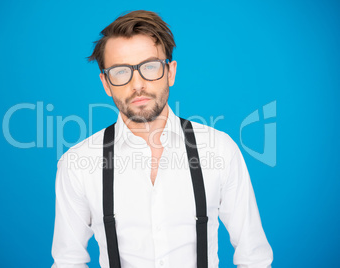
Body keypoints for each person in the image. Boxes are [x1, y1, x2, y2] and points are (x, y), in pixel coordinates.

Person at [51, 10, 273, 268]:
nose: (138, 85)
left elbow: (254, 258)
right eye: (121, 72)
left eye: (150, 67)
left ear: (170, 72)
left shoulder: (220, 150)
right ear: (106, 83)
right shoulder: (78, 163)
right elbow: (69, 262)